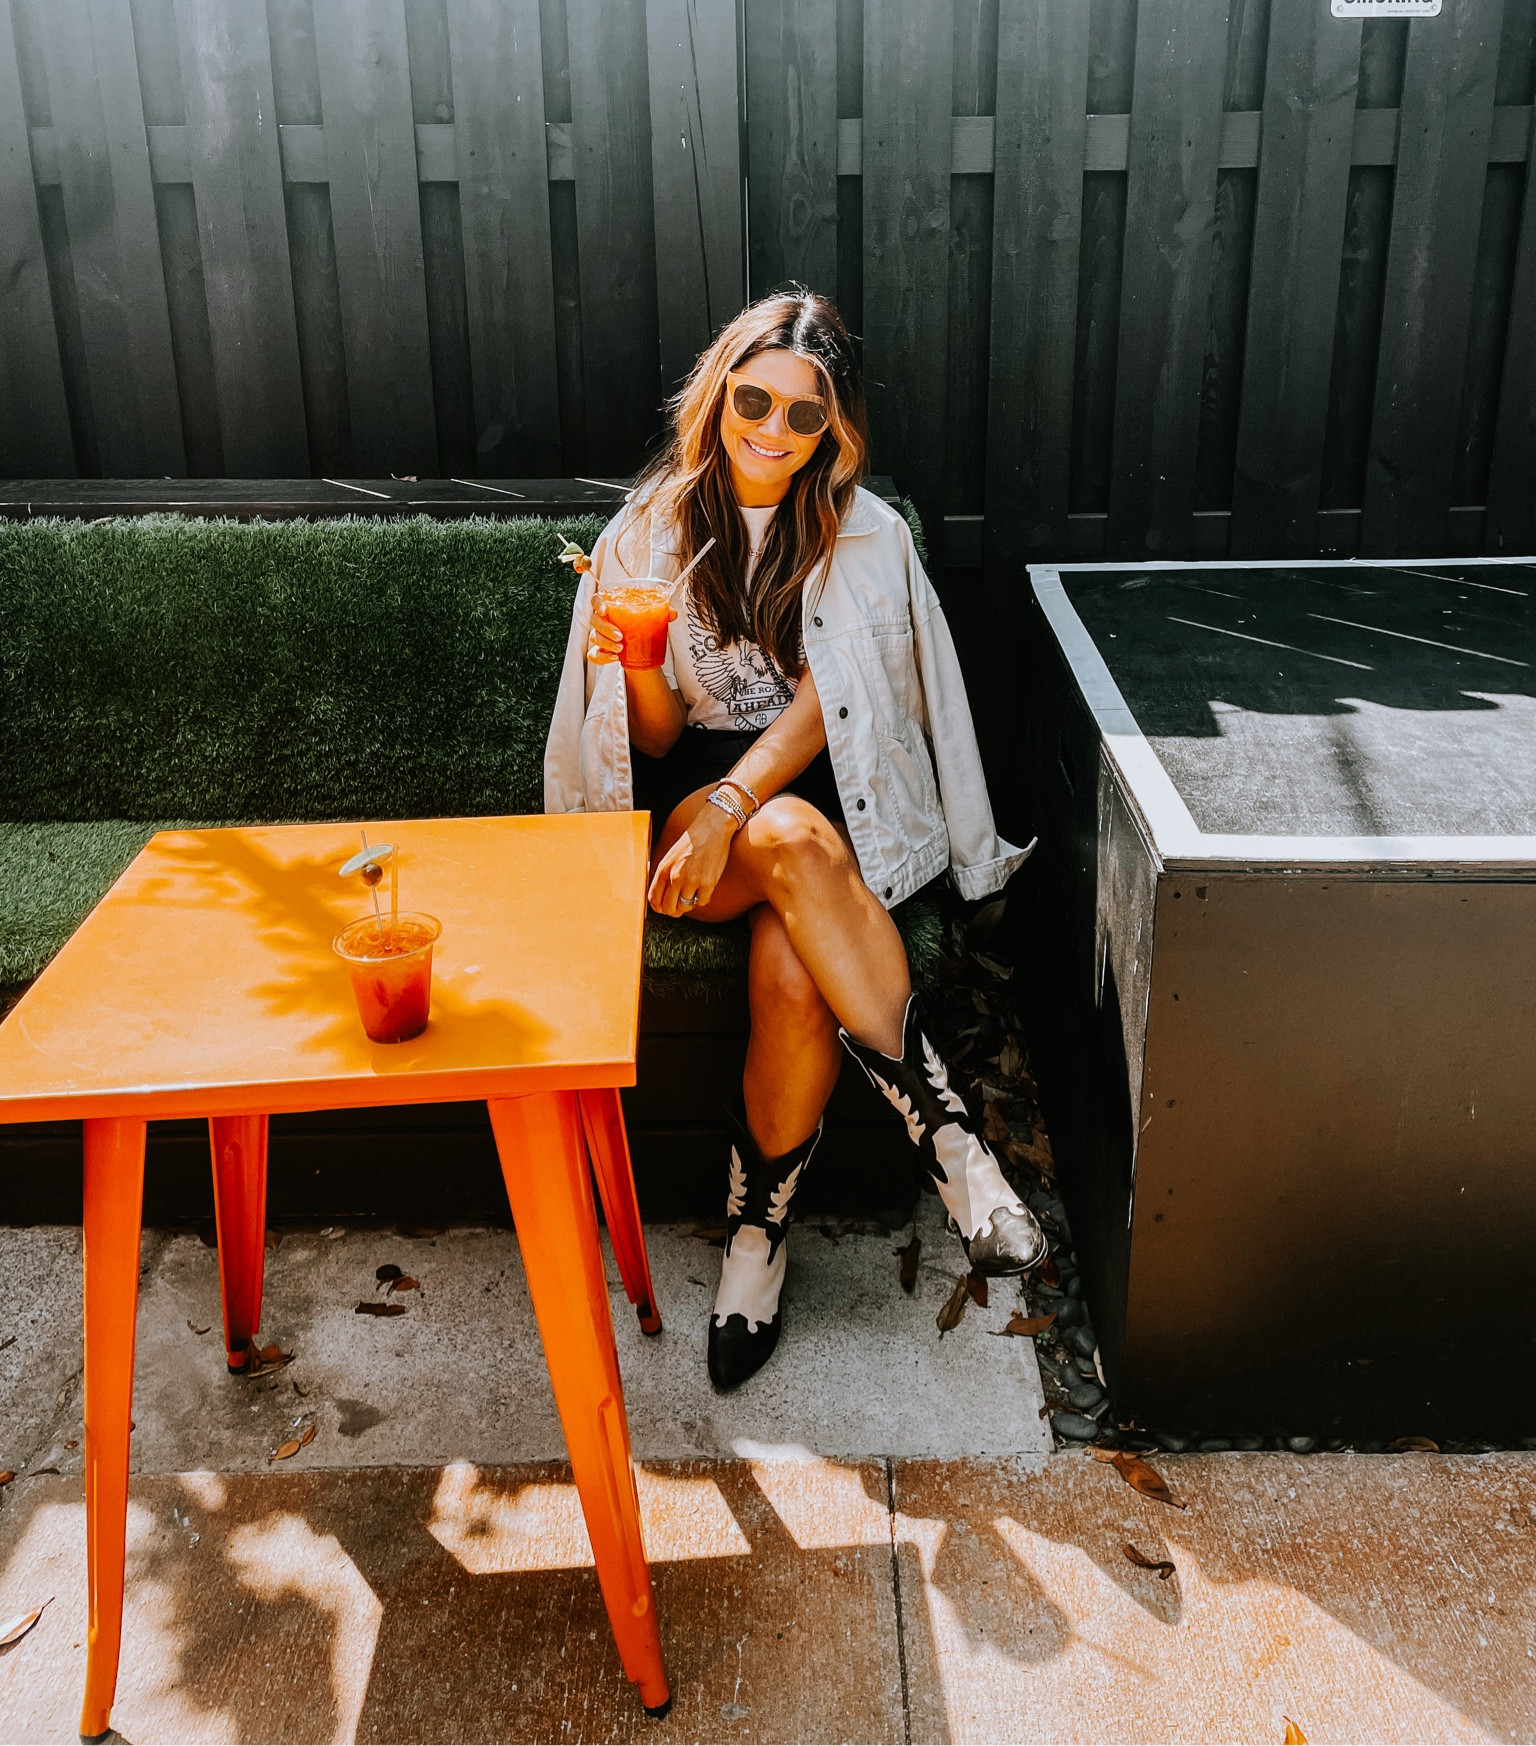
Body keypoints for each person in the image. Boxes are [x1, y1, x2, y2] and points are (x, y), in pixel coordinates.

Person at [545, 289, 1045, 1389]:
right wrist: (634, 660)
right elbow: (662, 738)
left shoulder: (866, 534)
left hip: (827, 801)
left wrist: (741, 808)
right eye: (754, 400)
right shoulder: (646, 531)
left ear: (836, 428)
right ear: (720, 393)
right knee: (780, 835)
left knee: (788, 965)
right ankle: (951, 1144)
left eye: (803, 415)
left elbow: (842, 697)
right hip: (693, 809)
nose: (772, 429)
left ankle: (754, 1241)